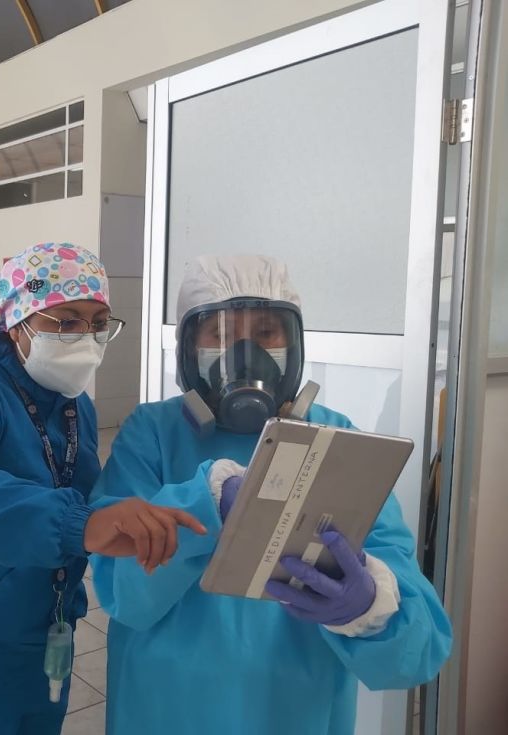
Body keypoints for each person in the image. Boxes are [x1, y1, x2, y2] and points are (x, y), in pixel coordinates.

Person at [90, 254, 452, 735]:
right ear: (188, 349)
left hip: (293, 713)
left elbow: (417, 656)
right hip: (166, 710)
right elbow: (123, 594)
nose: (245, 354)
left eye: (266, 333)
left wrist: (370, 607)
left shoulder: (337, 443)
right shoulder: (152, 434)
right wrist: (203, 504)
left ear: (294, 343)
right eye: (219, 335)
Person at [0, 242, 207, 735]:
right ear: (18, 323)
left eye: (98, 323)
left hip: (43, 632)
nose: (86, 337)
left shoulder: (74, 405)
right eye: (66, 321)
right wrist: (80, 524)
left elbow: (80, 492)